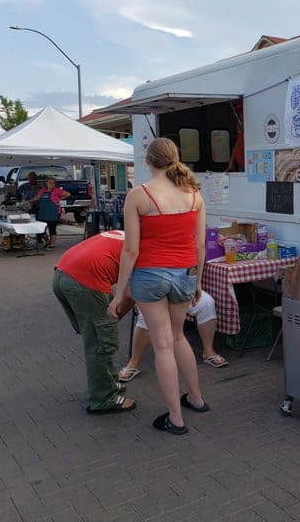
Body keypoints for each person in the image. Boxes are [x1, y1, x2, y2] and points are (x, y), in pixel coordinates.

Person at [108, 137, 208, 436]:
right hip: (185, 273)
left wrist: (117, 294)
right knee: (178, 338)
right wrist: (198, 281)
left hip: (151, 275)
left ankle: (175, 419)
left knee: (162, 344)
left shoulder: (139, 195)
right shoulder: (194, 195)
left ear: (148, 161)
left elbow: (131, 250)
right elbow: (200, 244)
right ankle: (196, 398)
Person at [52, 230, 137, 414]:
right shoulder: (142, 248)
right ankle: (103, 398)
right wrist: (112, 321)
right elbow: (130, 295)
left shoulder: (123, 233)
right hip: (83, 281)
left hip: (62, 273)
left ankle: (109, 382)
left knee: (96, 336)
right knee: (102, 342)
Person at [118, 290, 227, 383]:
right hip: (151, 291)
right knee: (148, 318)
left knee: (207, 303)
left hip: (179, 288)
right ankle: (133, 363)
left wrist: (195, 284)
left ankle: (208, 351)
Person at [28, 176, 70, 249]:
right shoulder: (43, 190)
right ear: (46, 183)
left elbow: (68, 194)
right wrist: (28, 201)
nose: (52, 184)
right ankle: (47, 241)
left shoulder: (57, 190)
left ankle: (52, 245)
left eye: (53, 183)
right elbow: (37, 197)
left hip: (54, 212)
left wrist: (59, 199)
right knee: (41, 229)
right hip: (43, 212)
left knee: (52, 229)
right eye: (50, 183)